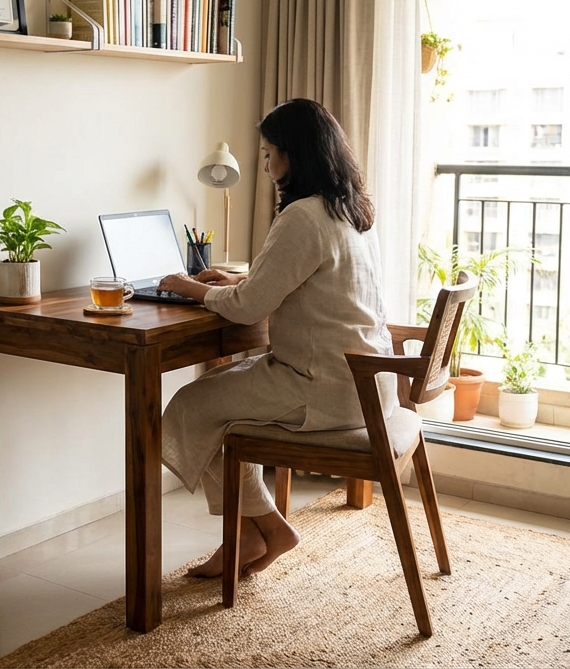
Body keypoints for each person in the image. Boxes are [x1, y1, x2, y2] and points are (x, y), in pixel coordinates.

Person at [157, 98, 393, 578]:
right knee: (213, 399)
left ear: (292, 154)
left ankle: (259, 529)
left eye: (269, 154)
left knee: (191, 407)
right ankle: (253, 532)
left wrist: (189, 286)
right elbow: (298, 283)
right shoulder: (351, 210)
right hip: (369, 385)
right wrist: (236, 282)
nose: (265, 166)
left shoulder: (303, 216)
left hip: (322, 387)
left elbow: (248, 309)